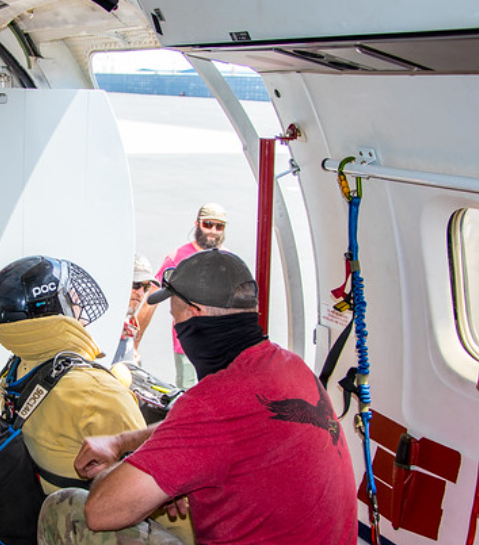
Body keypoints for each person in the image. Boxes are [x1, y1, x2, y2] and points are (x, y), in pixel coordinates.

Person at [38, 249, 357, 545]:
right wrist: (124, 442)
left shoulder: (214, 402)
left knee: (67, 508)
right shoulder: (291, 366)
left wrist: (124, 468)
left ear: (194, 313)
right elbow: (220, 429)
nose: (177, 328)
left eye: (176, 319)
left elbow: (103, 510)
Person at [0, 256, 146, 493]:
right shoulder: (98, 392)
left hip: (40, 502)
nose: (79, 301)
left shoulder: (19, 365)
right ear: (53, 309)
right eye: (72, 297)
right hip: (82, 520)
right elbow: (148, 481)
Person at [136, 202, 228, 389]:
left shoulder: (228, 260)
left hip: (219, 345)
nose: (213, 231)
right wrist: (134, 343)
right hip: (187, 342)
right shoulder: (178, 257)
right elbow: (152, 300)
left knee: (217, 396)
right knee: (188, 396)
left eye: (219, 226)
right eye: (208, 224)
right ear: (197, 224)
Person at [112, 253, 158, 365]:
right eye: (136, 284)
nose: (141, 293)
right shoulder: (103, 320)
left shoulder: (129, 324)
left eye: (146, 287)